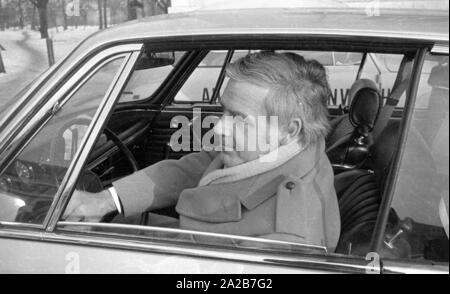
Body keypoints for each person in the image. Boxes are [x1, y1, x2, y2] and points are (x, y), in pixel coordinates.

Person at [64, 52, 341, 251]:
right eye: (224, 110)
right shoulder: (288, 149)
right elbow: (199, 166)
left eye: (239, 117)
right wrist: (106, 200)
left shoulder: (289, 235)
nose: (219, 127)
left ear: (289, 129)